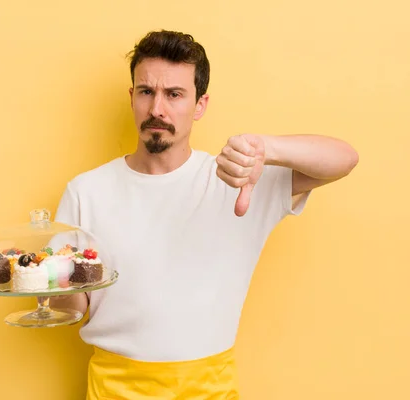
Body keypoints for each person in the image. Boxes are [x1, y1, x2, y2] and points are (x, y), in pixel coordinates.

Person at [51, 30, 358, 399]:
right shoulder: (87, 191)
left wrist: (266, 148)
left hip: (210, 390)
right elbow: (71, 310)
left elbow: (344, 159)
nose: (157, 110)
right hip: (113, 388)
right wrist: (56, 281)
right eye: (147, 92)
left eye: (174, 94)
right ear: (132, 97)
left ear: (200, 104)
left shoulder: (237, 177)